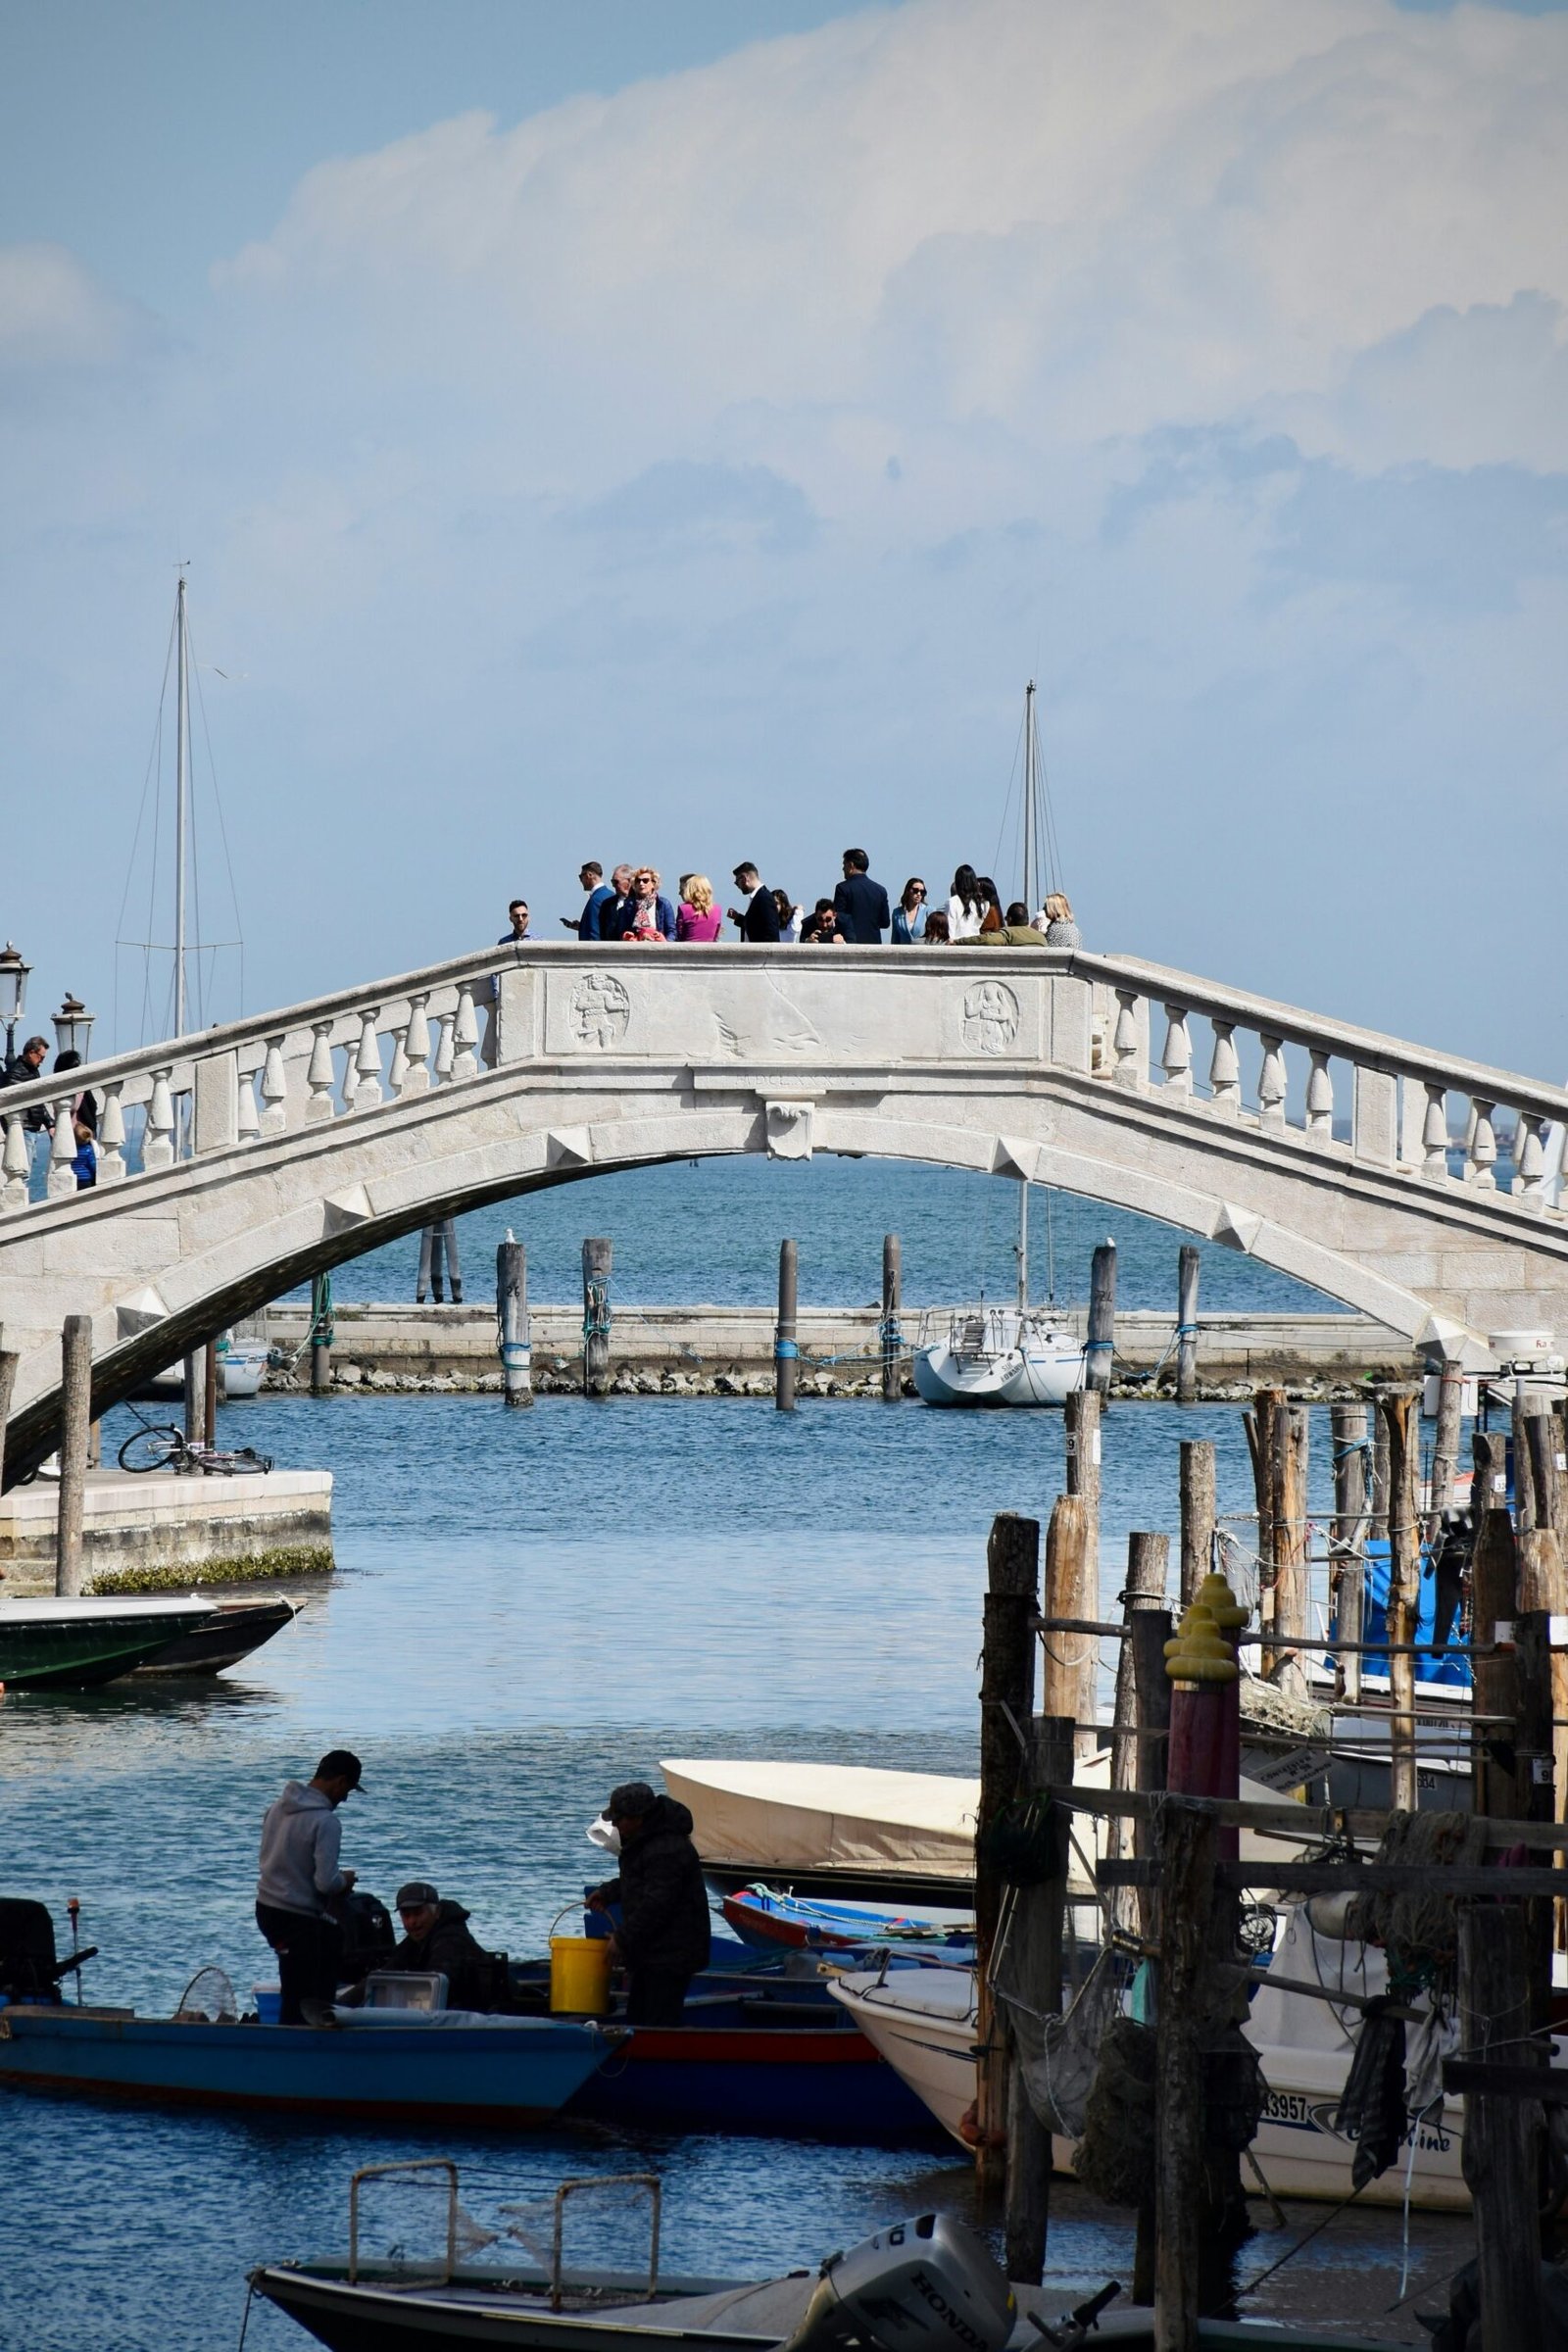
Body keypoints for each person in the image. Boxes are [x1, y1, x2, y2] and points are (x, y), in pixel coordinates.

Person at [256, 1748, 366, 2026]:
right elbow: (325, 1882)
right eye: (348, 1790)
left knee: (301, 1977)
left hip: (267, 1910)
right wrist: (346, 1880)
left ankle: (294, 2041)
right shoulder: (326, 1821)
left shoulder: (276, 1808)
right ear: (339, 1782)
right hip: (296, 1918)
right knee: (306, 1998)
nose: (345, 1797)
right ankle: (304, 2046)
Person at [586, 1780, 710, 2024]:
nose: (616, 1826)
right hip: (653, 1952)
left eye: (619, 1819)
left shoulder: (667, 1849)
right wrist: (608, 1892)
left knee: (657, 2022)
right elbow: (641, 1881)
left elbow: (657, 1904)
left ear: (638, 1817)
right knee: (640, 2017)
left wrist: (622, 1939)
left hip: (671, 1955)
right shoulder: (647, 1841)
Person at [386, 1881, 498, 2012]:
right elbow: (389, 1969)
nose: (412, 1922)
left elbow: (436, 1986)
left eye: (418, 1913)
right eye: (406, 1915)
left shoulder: (451, 1940)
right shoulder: (415, 1941)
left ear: (437, 1912)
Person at [831, 848, 890, 944]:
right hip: (874, 946)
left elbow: (839, 918)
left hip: (849, 944)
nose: (843, 868)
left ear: (851, 865)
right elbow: (885, 922)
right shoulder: (881, 891)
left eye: (844, 864)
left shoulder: (842, 888)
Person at [1, 1036, 53, 1131]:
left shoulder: (33, 1071)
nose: (42, 1061)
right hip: (23, 1128)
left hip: (32, 1127)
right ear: (31, 1053)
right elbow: (8, 1102)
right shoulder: (15, 1072)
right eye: (41, 1057)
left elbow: (39, 1101)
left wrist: (50, 1124)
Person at [616, 865, 676, 942]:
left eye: (645, 880)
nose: (641, 883)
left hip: (658, 946)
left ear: (653, 884)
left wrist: (664, 940)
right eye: (638, 881)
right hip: (636, 946)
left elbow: (672, 931)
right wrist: (625, 936)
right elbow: (621, 930)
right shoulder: (629, 904)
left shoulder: (663, 903)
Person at [728, 863, 781, 942]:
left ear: (744, 878)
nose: (738, 886)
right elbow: (756, 925)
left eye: (737, 883)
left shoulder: (764, 897)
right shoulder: (759, 897)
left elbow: (771, 932)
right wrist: (738, 918)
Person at [563, 862, 614, 940]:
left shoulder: (595, 900)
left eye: (581, 877)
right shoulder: (611, 894)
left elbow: (594, 934)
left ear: (589, 875)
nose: (581, 881)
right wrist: (583, 927)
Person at [976, 901, 1049, 947]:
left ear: (1009, 919)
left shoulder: (1009, 933)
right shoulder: (1041, 937)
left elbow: (987, 939)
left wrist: (964, 940)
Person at [675, 876, 723, 942]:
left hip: (687, 950)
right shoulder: (717, 909)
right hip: (709, 950)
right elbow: (715, 936)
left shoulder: (683, 909)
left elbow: (679, 935)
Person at [948, 866, 983, 942]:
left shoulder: (952, 901)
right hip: (975, 944)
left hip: (957, 945)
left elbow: (950, 929)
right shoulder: (980, 903)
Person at [600, 863, 635, 940]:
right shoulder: (607, 904)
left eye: (616, 882)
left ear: (629, 881)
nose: (613, 885)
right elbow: (602, 931)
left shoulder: (640, 902)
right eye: (612, 882)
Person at [891, 879, 928, 943]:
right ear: (908, 891)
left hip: (922, 950)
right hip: (903, 951)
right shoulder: (897, 913)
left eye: (922, 892)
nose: (919, 894)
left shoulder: (928, 911)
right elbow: (895, 938)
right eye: (915, 890)